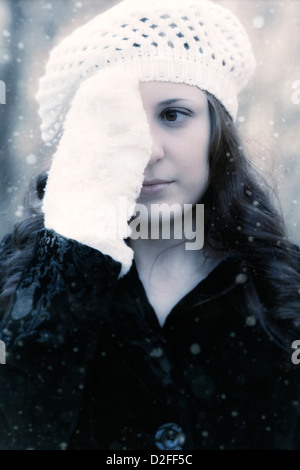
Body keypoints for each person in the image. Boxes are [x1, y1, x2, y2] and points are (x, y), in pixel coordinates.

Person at [0, 0, 300, 451]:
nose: (147, 150)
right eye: (115, 124)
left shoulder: (285, 285)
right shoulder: (17, 278)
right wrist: (75, 250)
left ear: (217, 131)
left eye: (172, 115)